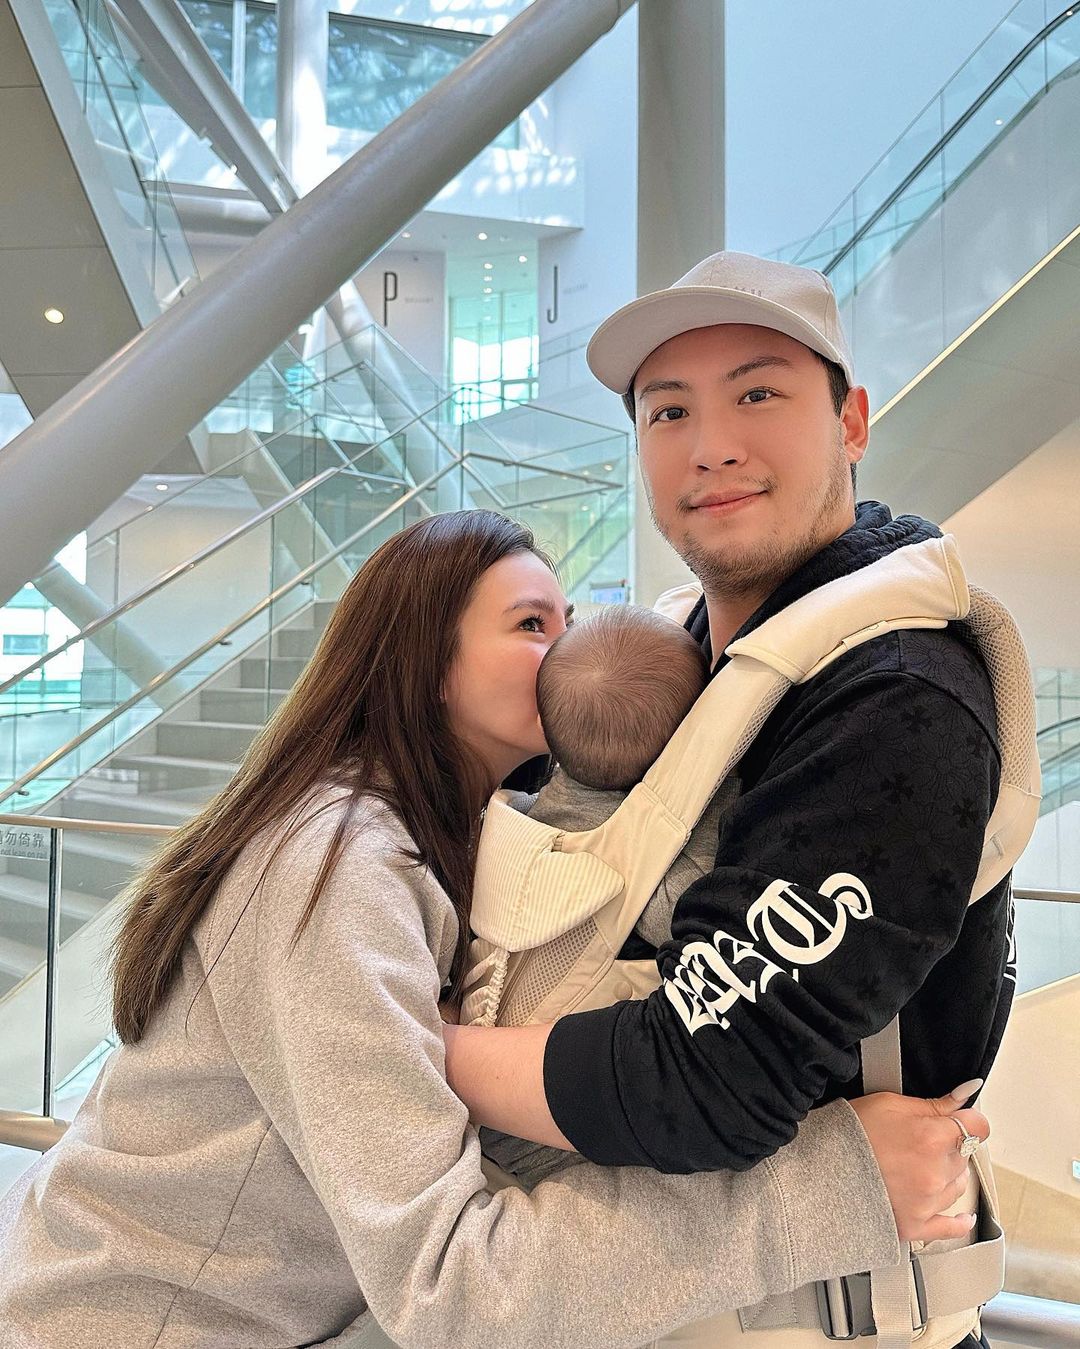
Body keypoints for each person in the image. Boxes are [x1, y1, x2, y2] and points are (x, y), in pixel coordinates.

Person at [0, 511, 987, 1349]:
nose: (572, 650)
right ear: (426, 663)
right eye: (530, 624)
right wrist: (833, 1189)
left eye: (569, 619)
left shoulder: (465, 840)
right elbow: (451, 1286)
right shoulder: (334, 862)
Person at [442, 253, 1031, 1349]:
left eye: (758, 392)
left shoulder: (895, 695)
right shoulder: (681, 657)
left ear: (851, 421)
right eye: (669, 411)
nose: (710, 444)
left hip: (824, 1318)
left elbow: (706, 1077)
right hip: (640, 1296)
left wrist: (414, 1049)